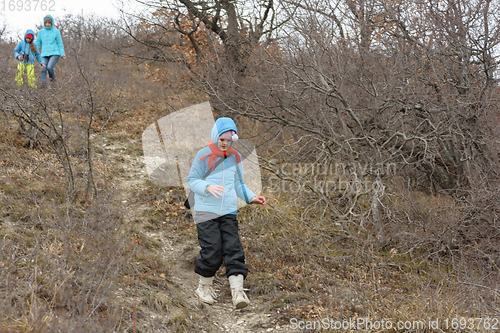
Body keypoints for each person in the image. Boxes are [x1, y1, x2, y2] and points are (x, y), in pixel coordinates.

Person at [187, 117, 266, 309]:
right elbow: (192, 180)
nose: (224, 143)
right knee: (212, 250)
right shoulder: (203, 155)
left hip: (228, 212)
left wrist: (251, 197)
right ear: (215, 136)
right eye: (221, 139)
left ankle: (237, 292)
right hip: (206, 212)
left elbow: (238, 183)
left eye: (228, 140)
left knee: (234, 249)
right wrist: (207, 187)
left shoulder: (235, 157)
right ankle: (204, 288)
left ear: (233, 140)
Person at [35, 15, 66, 85]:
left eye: (49, 23)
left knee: (49, 67)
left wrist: (62, 53)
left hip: (54, 53)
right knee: (43, 68)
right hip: (44, 54)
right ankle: (44, 85)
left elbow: (59, 43)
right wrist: (34, 53)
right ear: (44, 23)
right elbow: (38, 44)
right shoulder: (41, 32)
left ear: (51, 23)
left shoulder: (56, 31)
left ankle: (53, 83)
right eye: (46, 23)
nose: (47, 24)